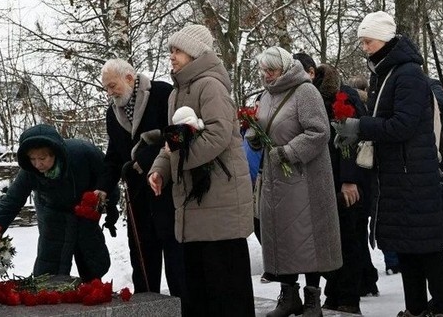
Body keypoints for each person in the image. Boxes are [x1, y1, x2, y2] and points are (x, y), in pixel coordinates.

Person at [333, 11, 443, 317]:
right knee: (407, 246)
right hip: (396, 174)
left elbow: (403, 125)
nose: (364, 47)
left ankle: (442, 306)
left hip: (412, 173)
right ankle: (414, 308)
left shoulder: (408, 74)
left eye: (368, 41)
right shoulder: (385, 73)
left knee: (426, 247)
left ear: (384, 40)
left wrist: (360, 125)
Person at [149, 23, 255, 317]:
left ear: (195, 53)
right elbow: (173, 142)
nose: (171, 56)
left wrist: (175, 163)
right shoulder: (176, 94)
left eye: (177, 50)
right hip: (194, 203)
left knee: (227, 289)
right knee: (199, 288)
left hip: (220, 201)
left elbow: (218, 135)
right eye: (170, 50)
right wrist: (160, 170)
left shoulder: (210, 85)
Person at [246, 47, 342, 317]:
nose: (266, 75)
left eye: (271, 70)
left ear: (285, 68)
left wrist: (288, 152)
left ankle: (313, 299)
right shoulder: (266, 95)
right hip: (275, 179)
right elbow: (264, 129)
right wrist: (253, 133)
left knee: (306, 237)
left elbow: (319, 131)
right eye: (264, 71)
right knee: (281, 238)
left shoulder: (305, 91)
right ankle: (289, 296)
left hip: (304, 177)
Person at [95, 59, 185, 296]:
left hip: (167, 187)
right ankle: (148, 305)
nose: (109, 93)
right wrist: (103, 188)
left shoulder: (162, 93)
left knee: (176, 254)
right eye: (106, 88)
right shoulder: (112, 113)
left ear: (129, 78)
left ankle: (181, 306)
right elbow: (113, 155)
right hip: (137, 194)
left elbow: (178, 136)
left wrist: (146, 158)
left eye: (112, 86)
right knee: (143, 256)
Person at [0, 124, 119, 280]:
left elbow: (108, 179)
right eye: (33, 159)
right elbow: (12, 200)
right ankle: (51, 293)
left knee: (92, 259)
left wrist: (109, 206)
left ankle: (92, 288)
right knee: (50, 263)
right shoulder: (30, 171)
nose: (37, 164)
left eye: (42, 158)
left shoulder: (83, 153)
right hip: (51, 211)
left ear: (55, 153)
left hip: (84, 208)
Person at [316, 64, 376, 313]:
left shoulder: (344, 96)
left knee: (350, 240)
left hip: (349, 182)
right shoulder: (314, 96)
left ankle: (349, 298)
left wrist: (349, 180)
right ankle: (334, 292)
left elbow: (351, 140)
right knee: (335, 239)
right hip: (329, 178)